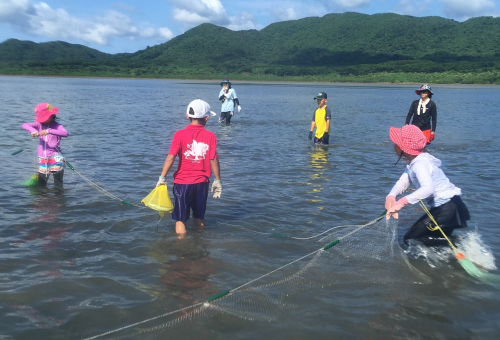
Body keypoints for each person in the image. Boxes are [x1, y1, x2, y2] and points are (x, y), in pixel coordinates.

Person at [385, 125, 470, 246]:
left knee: (411, 238)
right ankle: (452, 256)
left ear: (403, 147)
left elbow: (428, 189)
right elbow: (402, 182)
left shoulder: (420, 164)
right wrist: (391, 196)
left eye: (396, 143)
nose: (393, 145)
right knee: (433, 240)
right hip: (450, 206)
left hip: (447, 209)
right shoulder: (413, 163)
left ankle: (462, 245)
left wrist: (401, 202)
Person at [157, 99, 222, 236]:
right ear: (207, 118)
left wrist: (162, 177)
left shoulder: (179, 134)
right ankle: (200, 241)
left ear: (187, 116)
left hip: (182, 183)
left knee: (181, 219)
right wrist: (217, 180)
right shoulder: (210, 136)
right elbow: (213, 158)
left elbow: (170, 157)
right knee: (199, 217)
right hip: (201, 183)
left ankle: (182, 248)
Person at [21, 103, 69, 187]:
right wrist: (33, 131)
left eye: (45, 118)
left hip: (55, 158)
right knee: (41, 185)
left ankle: (58, 199)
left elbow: (65, 133)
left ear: (52, 116)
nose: (42, 120)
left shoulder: (57, 126)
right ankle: (43, 199)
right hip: (43, 159)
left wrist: (49, 131)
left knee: (58, 184)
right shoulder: (39, 125)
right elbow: (24, 125)